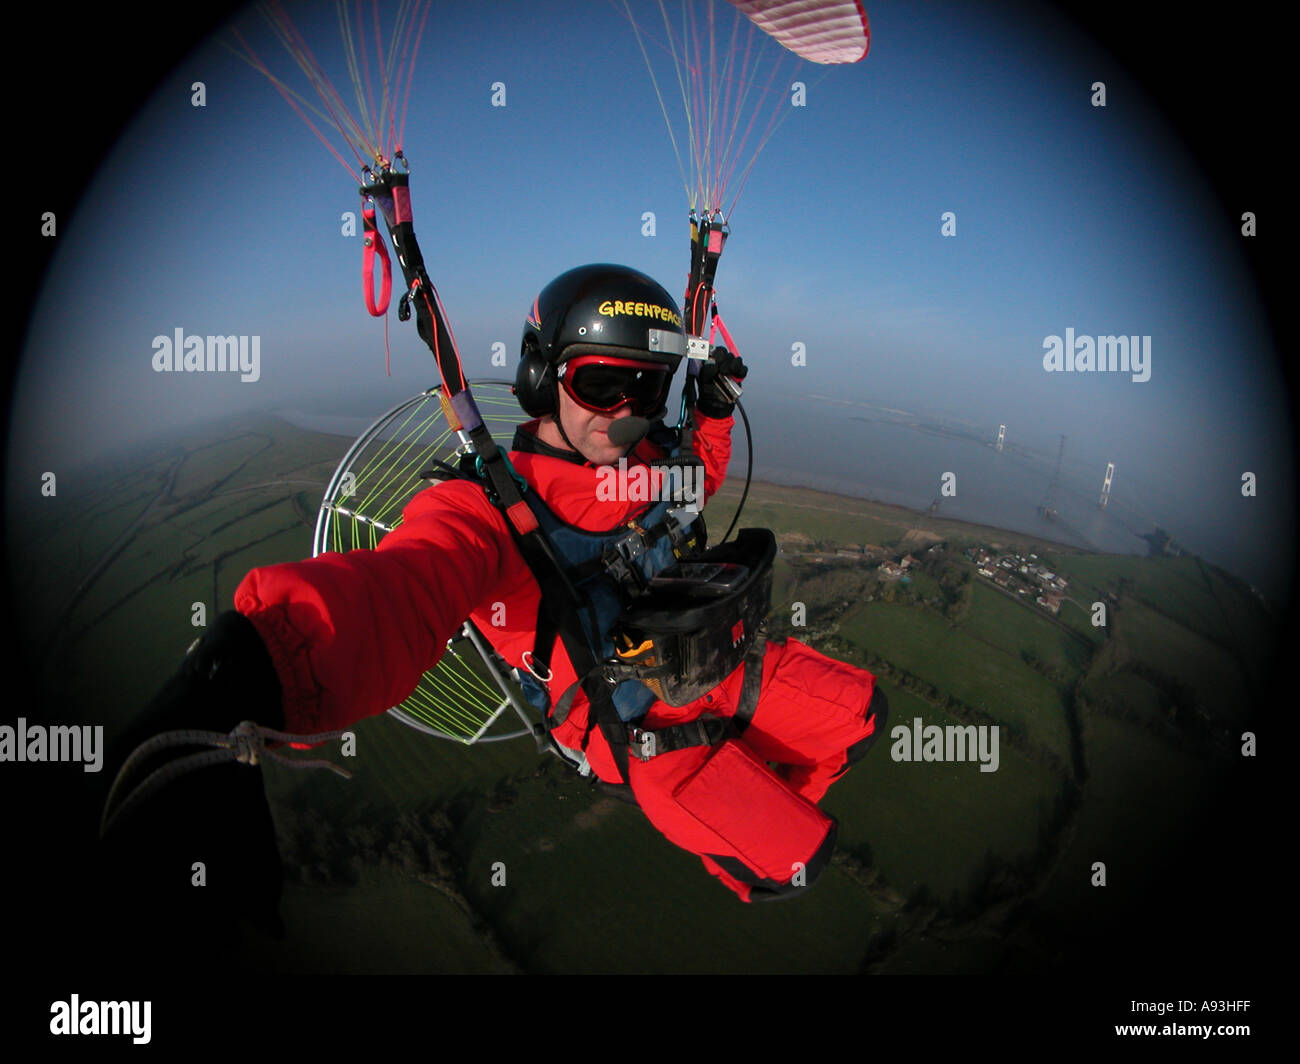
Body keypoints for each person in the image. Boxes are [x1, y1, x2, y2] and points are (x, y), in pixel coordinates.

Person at [102, 263, 887, 915]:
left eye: (646, 390)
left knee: (861, 715)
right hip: (642, 732)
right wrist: (254, 664)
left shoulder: (652, 461)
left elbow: (698, 476)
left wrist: (709, 415)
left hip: (714, 663)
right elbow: (404, 587)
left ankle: (760, 774)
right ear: (545, 377)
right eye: (601, 383)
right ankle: (742, 827)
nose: (623, 415)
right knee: (797, 859)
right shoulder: (484, 513)